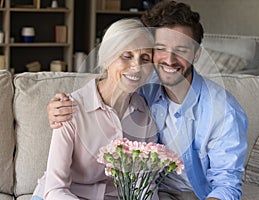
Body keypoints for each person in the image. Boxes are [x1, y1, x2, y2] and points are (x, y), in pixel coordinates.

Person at [47, 1, 248, 200]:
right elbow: (110, 82)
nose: (169, 60)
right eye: (161, 48)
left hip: (190, 194)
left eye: (182, 50)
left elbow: (227, 185)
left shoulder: (223, 111)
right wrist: (59, 107)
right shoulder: (143, 87)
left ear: (196, 54)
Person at [31, 18, 158, 200]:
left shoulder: (144, 113)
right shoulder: (69, 108)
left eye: (145, 58)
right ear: (107, 60)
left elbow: (143, 185)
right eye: (126, 56)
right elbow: (54, 189)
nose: (137, 66)